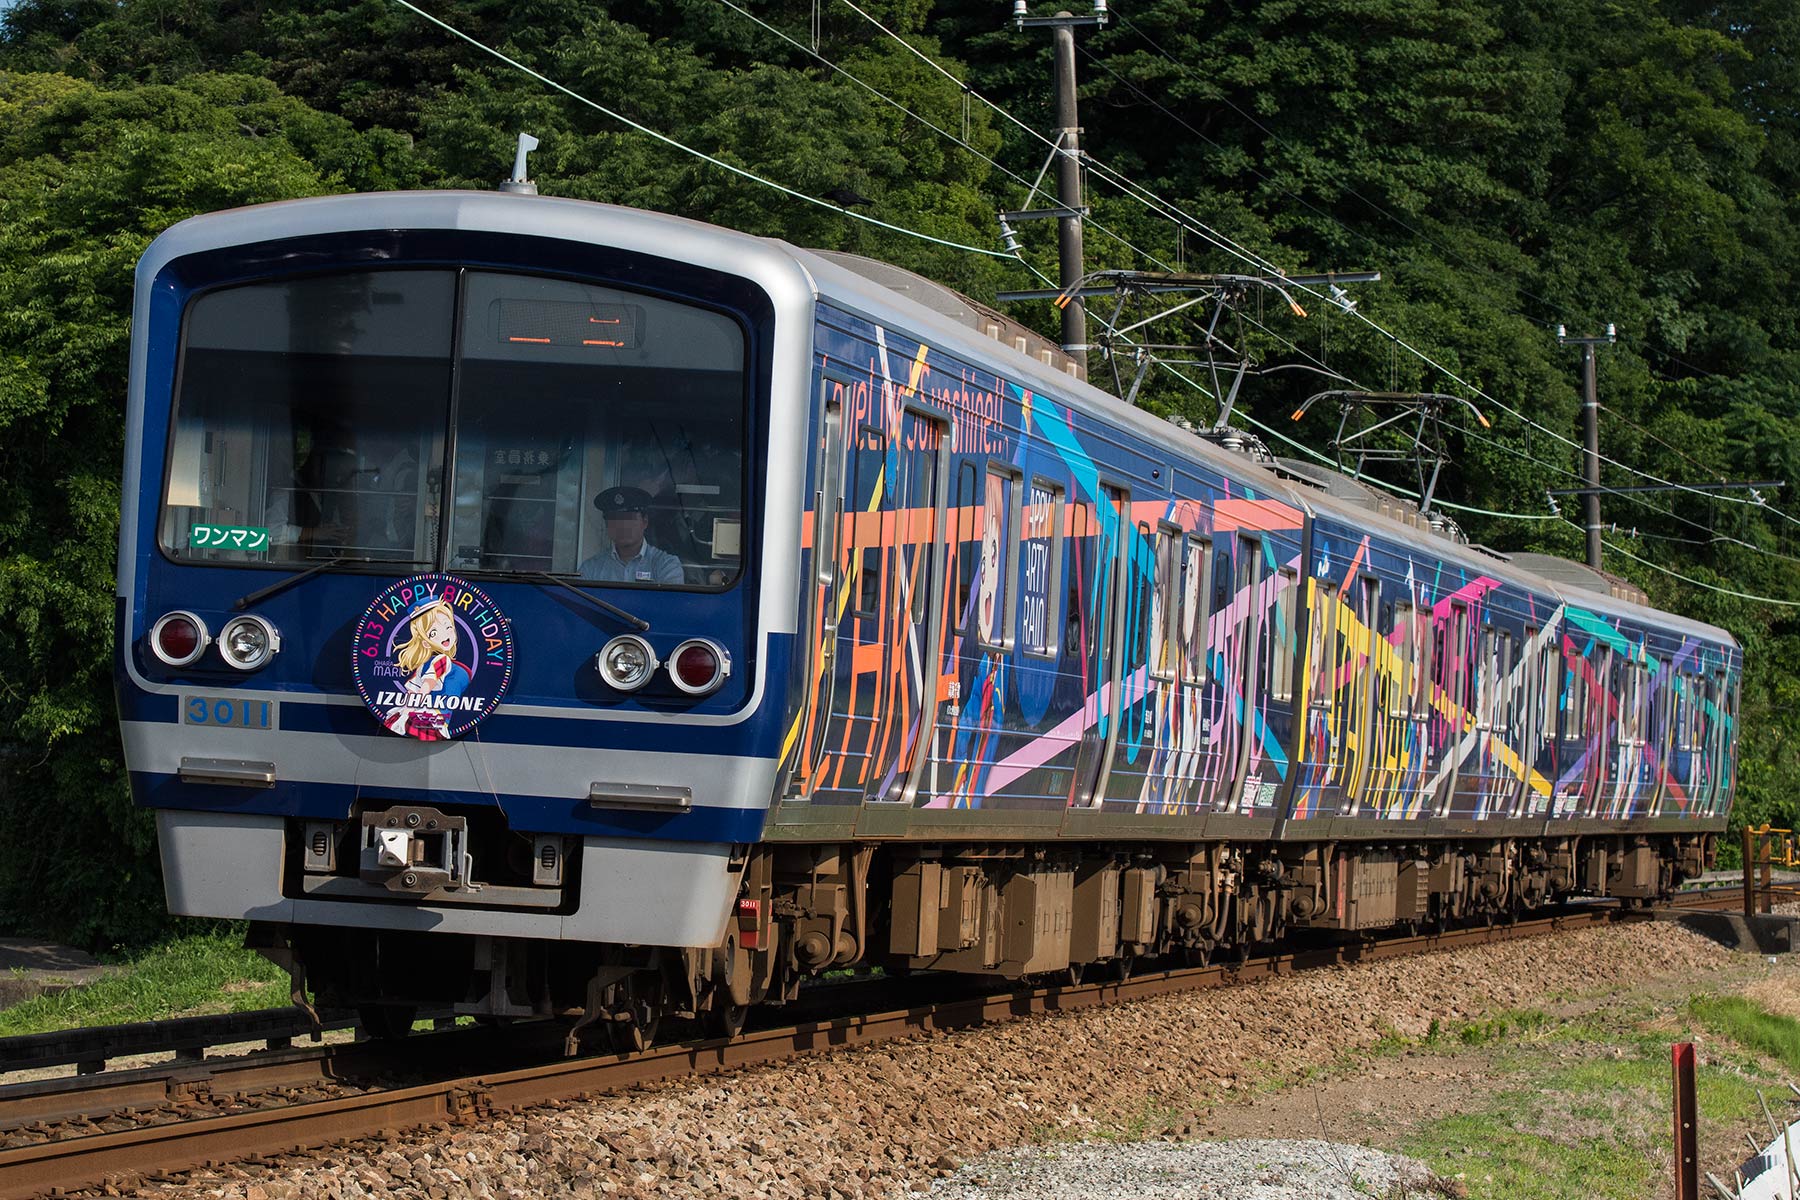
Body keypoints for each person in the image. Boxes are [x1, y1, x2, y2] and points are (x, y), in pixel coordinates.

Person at [578, 486, 684, 584]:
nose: (623, 525)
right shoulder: (591, 569)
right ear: (607, 526)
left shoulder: (666, 565)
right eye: (615, 519)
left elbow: (670, 602)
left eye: (629, 518)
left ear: (645, 521)